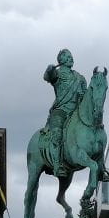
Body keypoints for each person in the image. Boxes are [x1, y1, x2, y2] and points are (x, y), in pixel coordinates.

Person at [43, 48, 87, 177]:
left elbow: (85, 95)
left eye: (71, 56)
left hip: (76, 111)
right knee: (57, 134)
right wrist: (49, 69)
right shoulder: (57, 74)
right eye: (67, 57)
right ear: (60, 60)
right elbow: (47, 77)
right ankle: (57, 165)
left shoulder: (80, 78)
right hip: (61, 110)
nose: (70, 58)